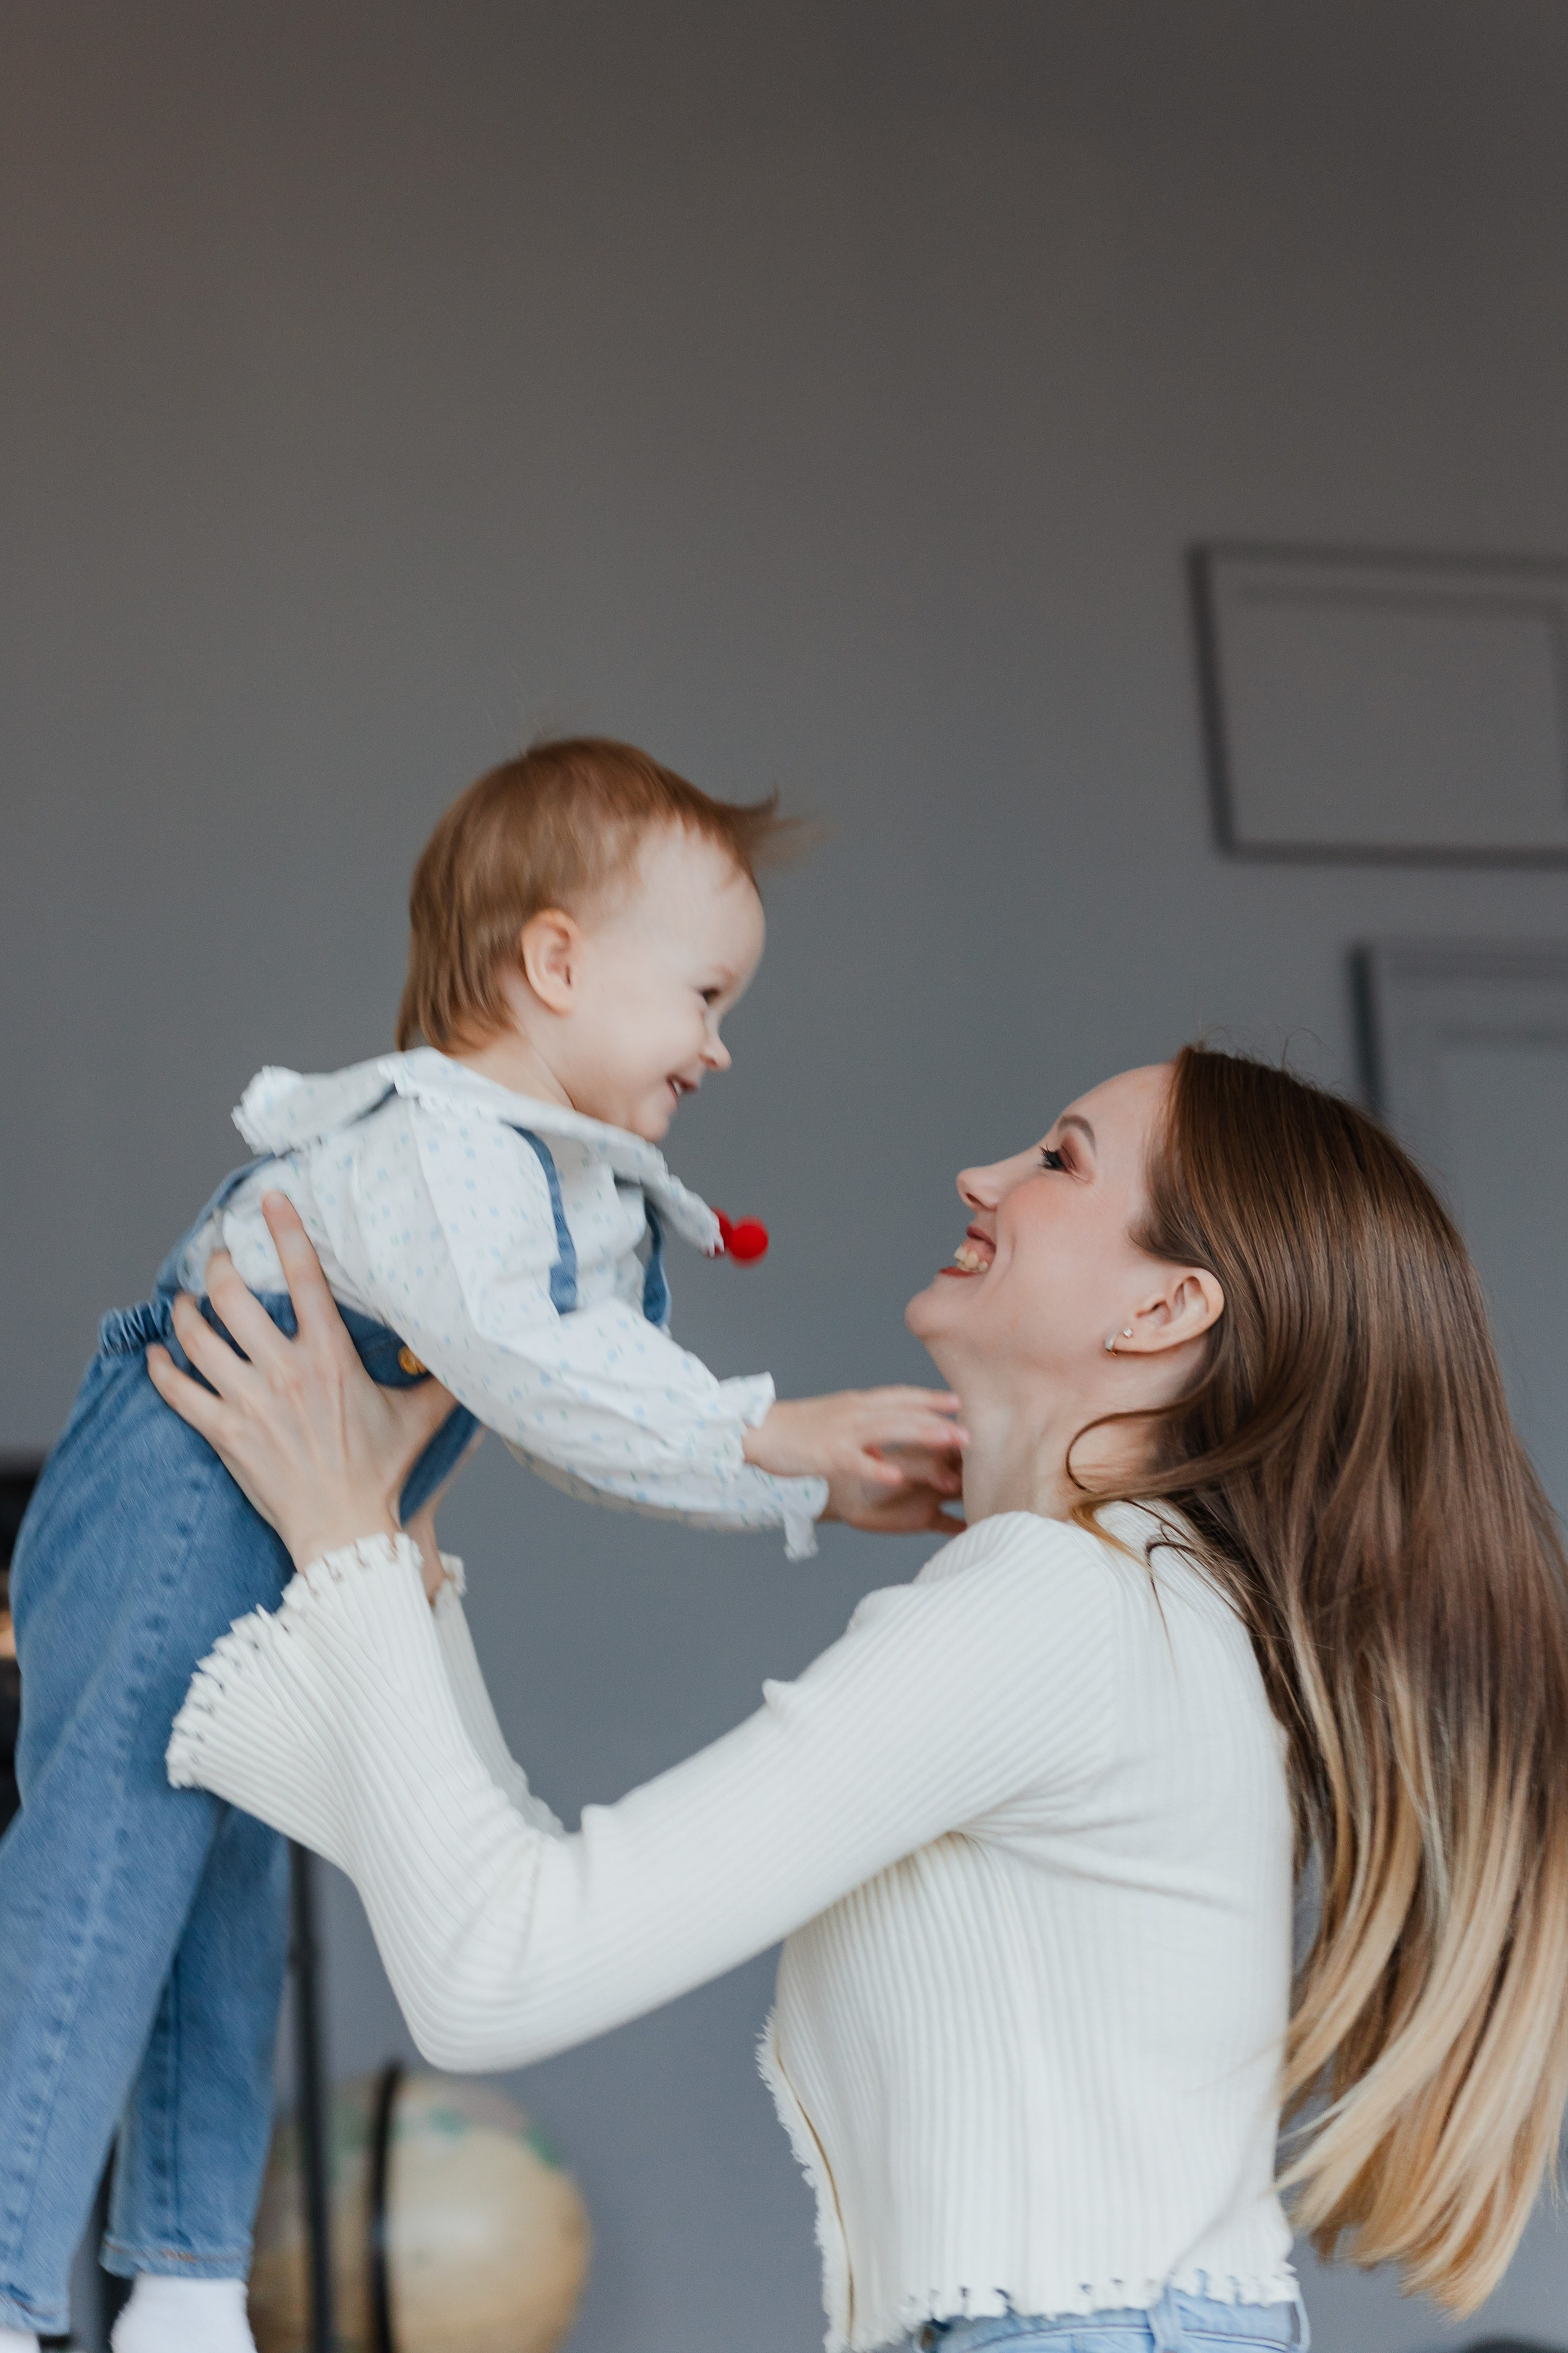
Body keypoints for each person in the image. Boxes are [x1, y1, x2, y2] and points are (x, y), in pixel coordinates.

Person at [151, 1046, 1568, 2353]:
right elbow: (522, 1905)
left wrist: (346, 1541)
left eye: (1060, 1160)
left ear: (1163, 1307)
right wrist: (387, 1546)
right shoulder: (1141, 1600)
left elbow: (494, 1971)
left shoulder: (1062, 1605)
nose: (982, 1176)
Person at [0, 738, 963, 2353]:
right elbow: (546, 1379)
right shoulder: (441, 1142)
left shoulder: (554, 1174)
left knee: (228, 1900)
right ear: (556, 962)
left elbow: (579, 1414)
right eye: (706, 996)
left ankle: (184, 2282)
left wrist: (796, 1483)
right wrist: (779, 1437)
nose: (720, 1046)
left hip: (271, 1510)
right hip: (175, 1482)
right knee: (103, 1875)